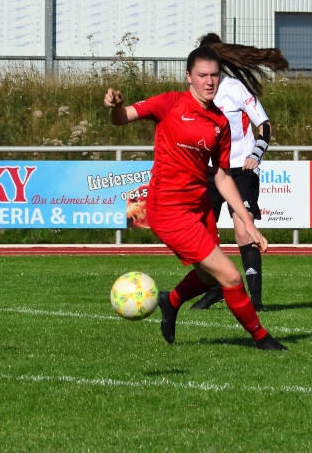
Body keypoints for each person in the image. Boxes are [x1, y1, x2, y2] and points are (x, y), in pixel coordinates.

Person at [104, 45, 287, 350]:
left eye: (214, 75)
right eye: (202, 75)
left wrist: (249, 225)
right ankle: (262, 339)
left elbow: (222, 175)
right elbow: (122, 118)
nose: (209, 81)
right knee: (229, 276)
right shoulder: (169, 104)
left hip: (198, 205)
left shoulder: (219, 123)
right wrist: (114, 106)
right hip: (169, 210)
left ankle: (170, 301)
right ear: (188, 77)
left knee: (209, 276)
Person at [191, 33, 275, 312]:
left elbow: (264, 125)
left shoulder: (235, 88)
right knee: (199, 236)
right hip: (209, 173)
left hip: (240, 172)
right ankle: (214, 288)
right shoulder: (195, 92)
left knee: (243, 231)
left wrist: (256, 153)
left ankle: (257, 301)